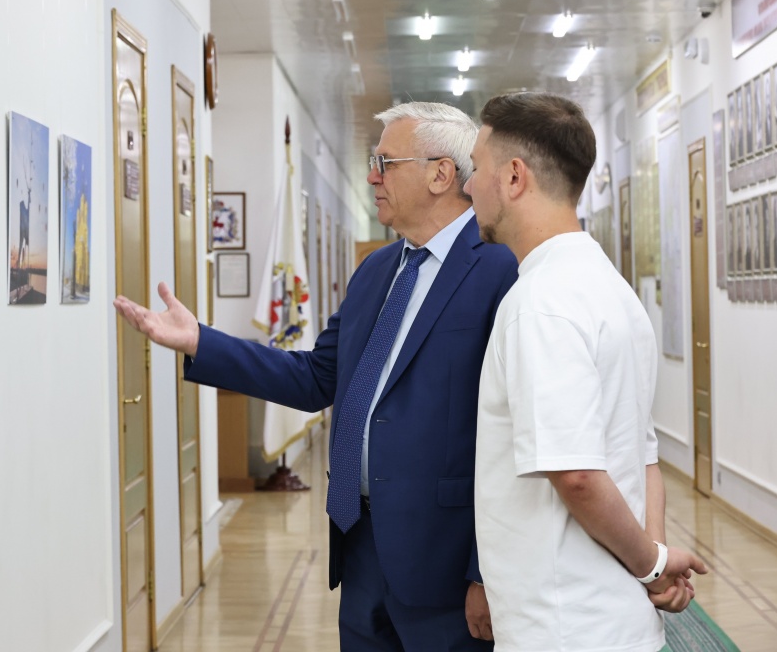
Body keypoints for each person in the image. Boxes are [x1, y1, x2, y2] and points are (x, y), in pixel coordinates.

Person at [115, 102, 518, 651]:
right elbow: (315, 377)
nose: (372, 175)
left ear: (440, 173)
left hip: (445, 564)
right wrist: (199, 342)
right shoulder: (378, 270)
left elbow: (511, 435)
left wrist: (485, 570)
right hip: (360, 548)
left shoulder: (500, 267)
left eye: (385, 161)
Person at [464, 92, 707, 651]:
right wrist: (655, 558)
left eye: (478, 168)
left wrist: (652, 564)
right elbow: (642, 453)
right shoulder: (609, 287)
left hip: (564, 625)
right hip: (613, 618)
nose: (469, 184)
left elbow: (574, 474)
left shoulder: (541, 303)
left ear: (514, 177)